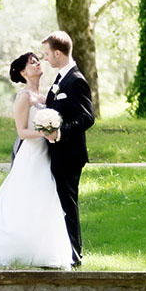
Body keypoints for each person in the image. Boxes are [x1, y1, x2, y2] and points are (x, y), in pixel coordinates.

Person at [0, 52, 73, 269]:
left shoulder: (45, 96)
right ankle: (7, 248)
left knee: (45, 197)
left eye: (38, 60)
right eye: (32, 62)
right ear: (23, 72)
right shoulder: (23, 97)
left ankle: (42, 252)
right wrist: (45, 132)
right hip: (31, 153)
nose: (37, 63)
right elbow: (22, 131)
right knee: (23, 197)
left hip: (46, 153)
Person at [41, 31, 95, 267]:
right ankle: (63, 251)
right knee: (59, 203)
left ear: (59, 53)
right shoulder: (60, 79)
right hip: (58, 153)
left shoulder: (76, 80)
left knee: (67, 204)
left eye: (47, 54)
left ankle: (75, 255)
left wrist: (61, 132)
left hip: (70, 154)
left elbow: (87, 117)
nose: (46, 58)